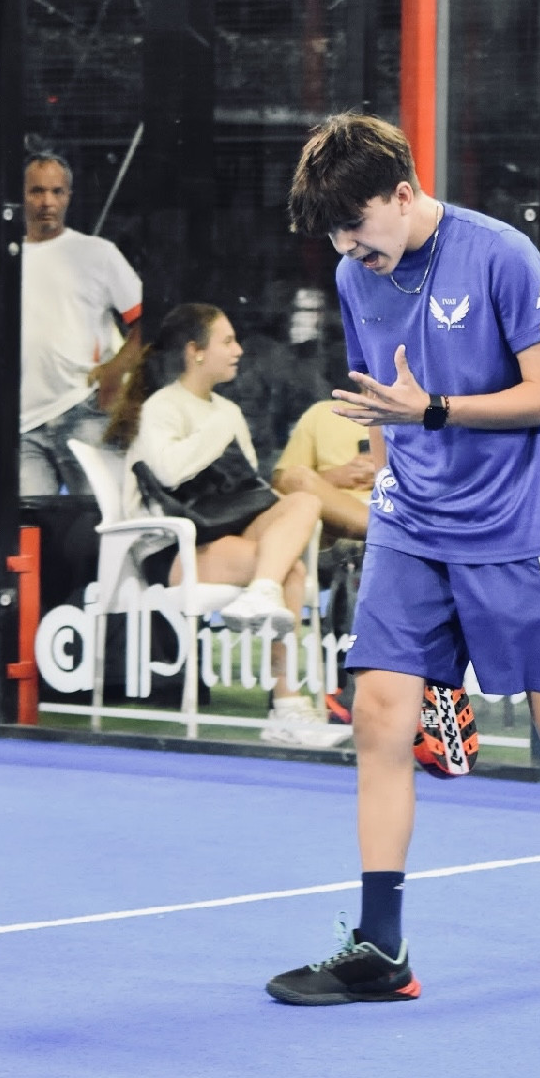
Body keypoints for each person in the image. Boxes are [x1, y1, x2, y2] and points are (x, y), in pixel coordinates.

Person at [266, 112, 540, 1005]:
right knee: (380, 716)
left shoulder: (502, 256)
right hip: (412, 523)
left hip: (518, 528)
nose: (348, 249)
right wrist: (389, 466)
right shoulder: (354, 272)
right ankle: (381, 948)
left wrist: (434, 411)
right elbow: (383, 399)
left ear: (404, 194)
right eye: (335, 235)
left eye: (357, 226)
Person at [108, 303, 348, 749]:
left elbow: (247, 489)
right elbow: (169, 472)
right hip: (173, 545)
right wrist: (217, 428)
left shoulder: (227, 410)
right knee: (292, 571)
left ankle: (262, 593)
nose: (239, 350)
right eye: (227, 341)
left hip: (225, 533)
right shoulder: (163, 407)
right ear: (195, 351)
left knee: (304, 501)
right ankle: (286, 706)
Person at [20, 153, 144, 495]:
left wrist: (115, 370)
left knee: (101, 517)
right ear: (22, 195)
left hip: (84, 409)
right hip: (21, 423)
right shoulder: (4, 258)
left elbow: (148, 321)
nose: (47, 201)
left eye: (57, 191)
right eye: (37, 191)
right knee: (29, 523)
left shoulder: (98, 254)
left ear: (69, 197)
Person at [272, 397, 375, 543]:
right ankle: (388, 533)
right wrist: (335, 477)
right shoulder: (322, 412)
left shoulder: (410, 415)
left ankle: (387, 533)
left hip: (398, 507)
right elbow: (281, 484)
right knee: (294, 477)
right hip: (337, 514)